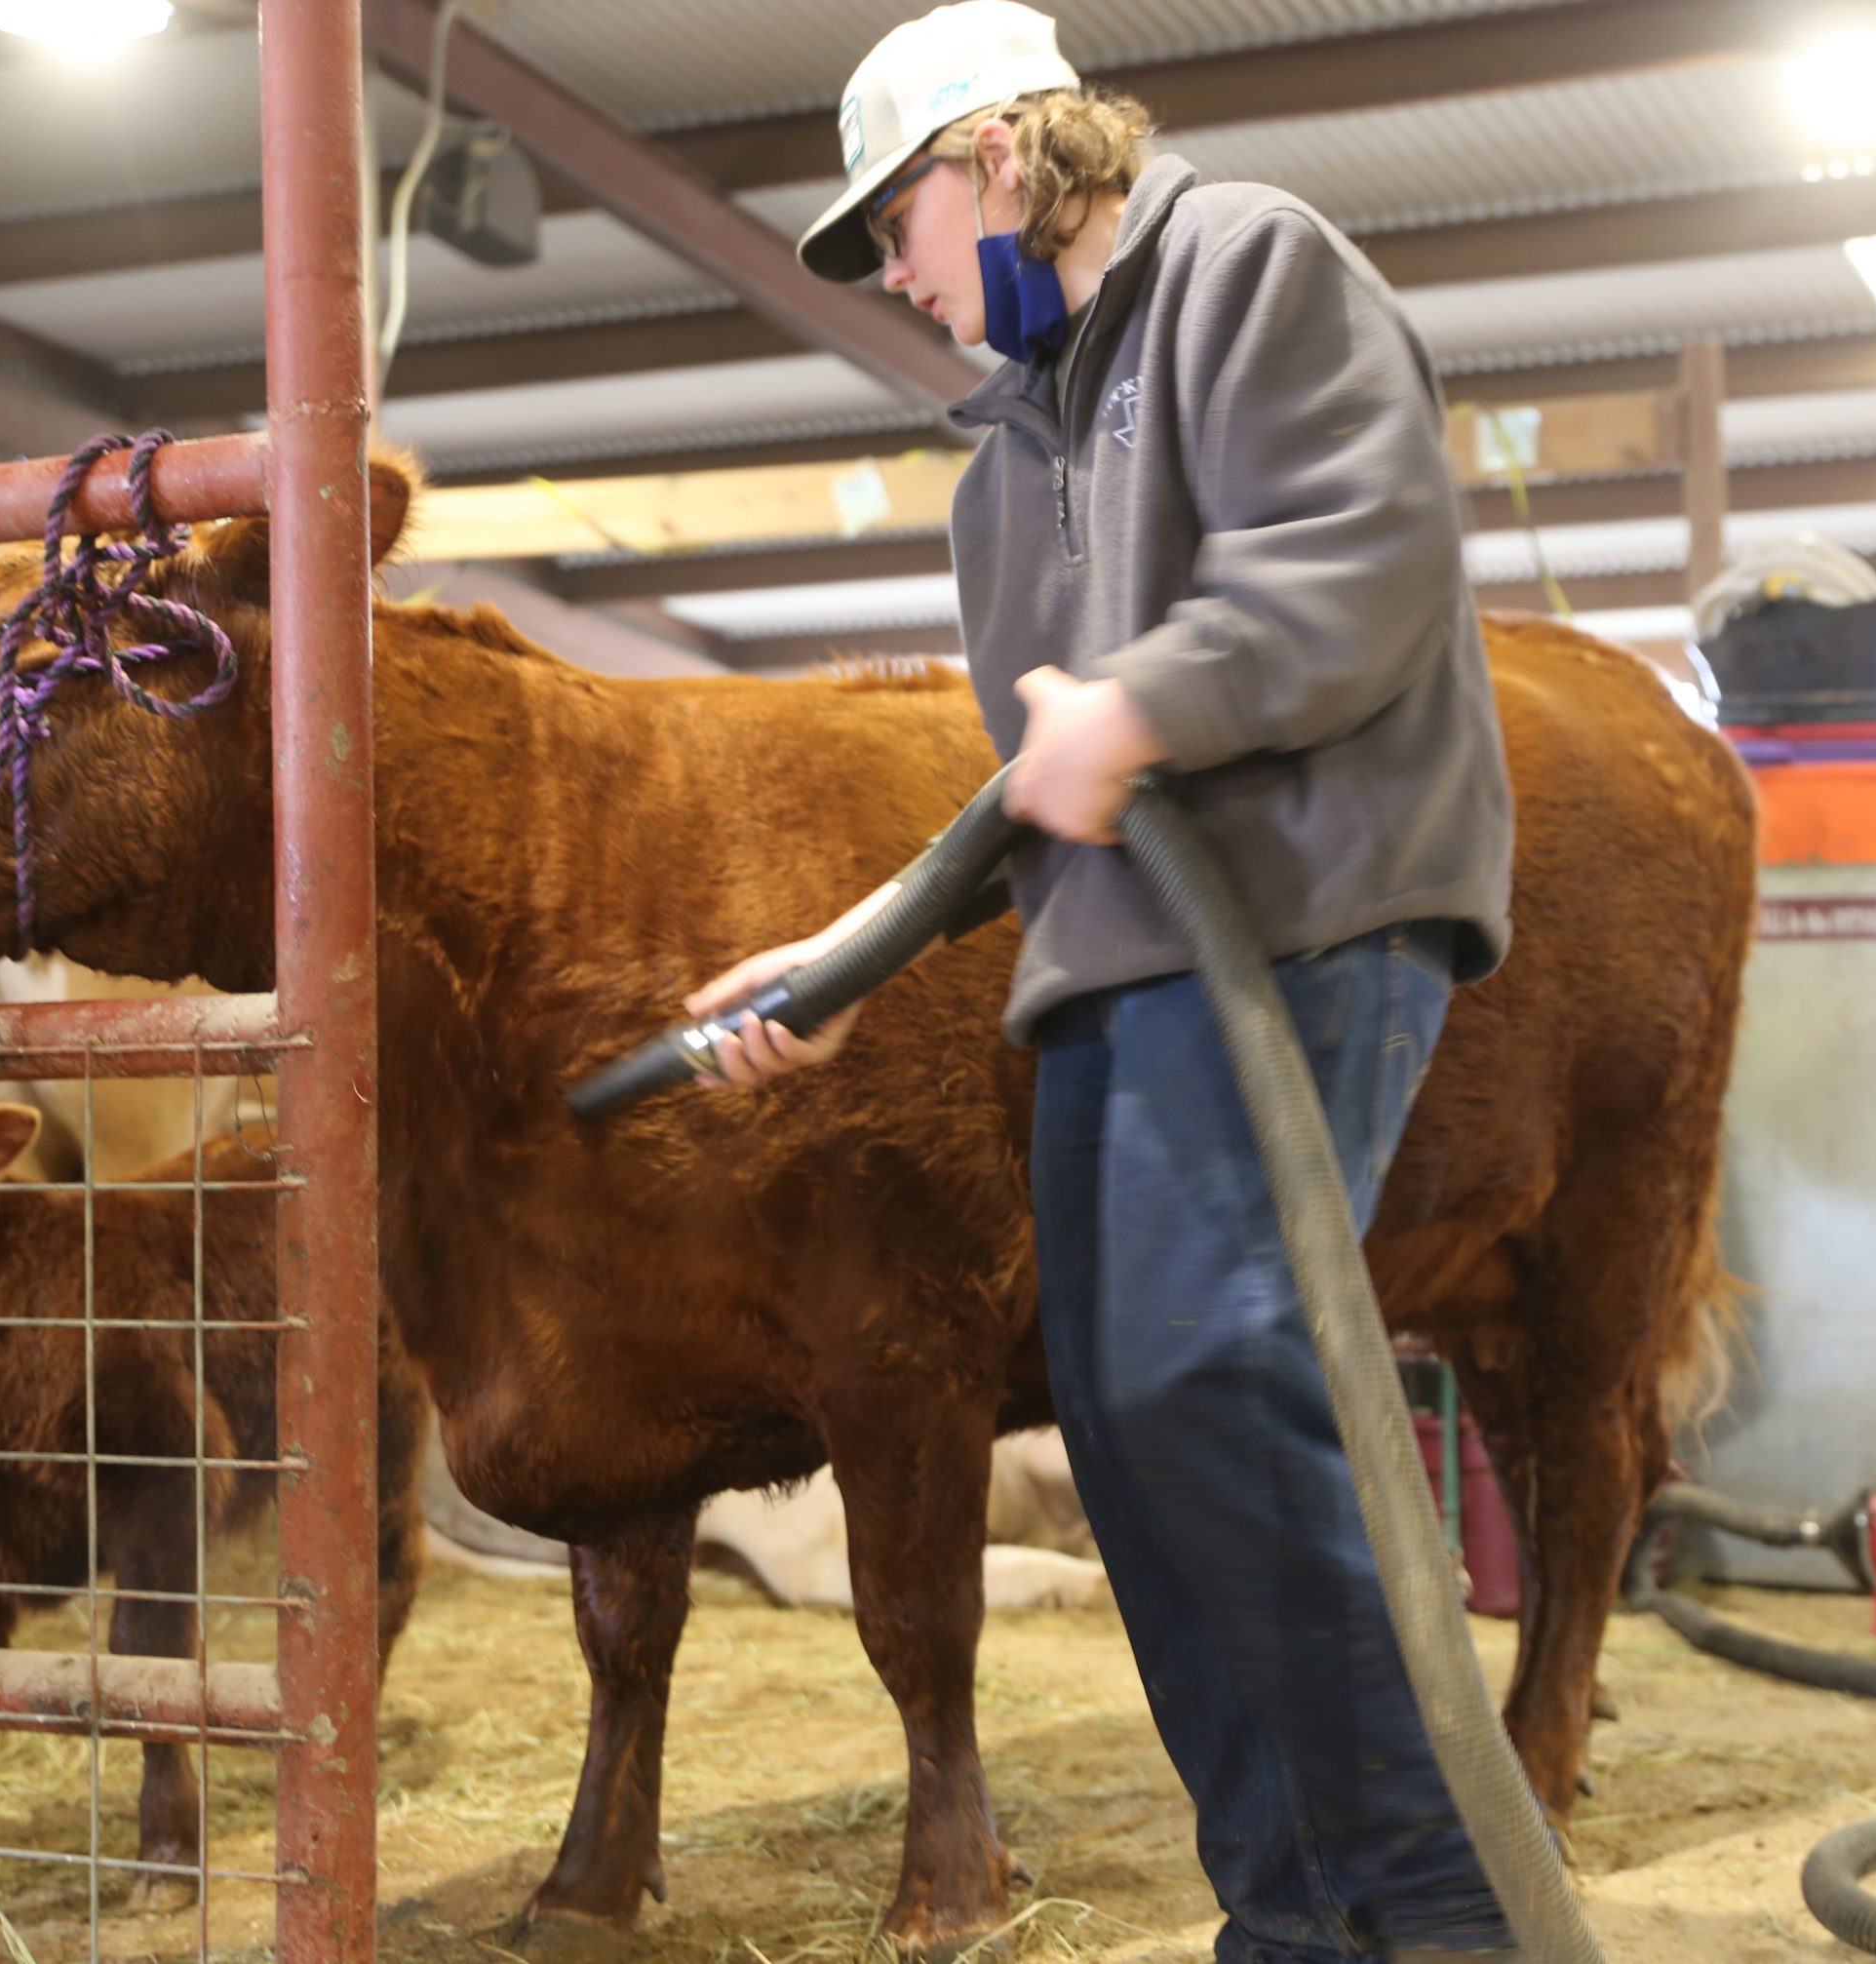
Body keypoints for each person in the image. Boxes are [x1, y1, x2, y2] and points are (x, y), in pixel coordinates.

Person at [681, 5, 1520, 1960]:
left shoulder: (1248, 268)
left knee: (1207, 1366)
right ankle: (1291, 1920)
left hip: (1309, 907)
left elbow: (1363, 557)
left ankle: (1439, 1905)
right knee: (1124, 1435)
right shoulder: (1002, 470)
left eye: (893, 225)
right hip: (1112, 957)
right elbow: (1037, 787)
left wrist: (1140, 702)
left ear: (998, 157)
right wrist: (854, 950)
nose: (895, 277)